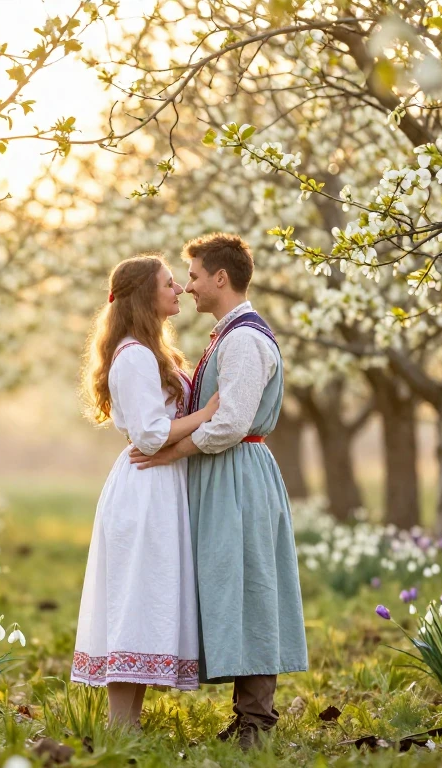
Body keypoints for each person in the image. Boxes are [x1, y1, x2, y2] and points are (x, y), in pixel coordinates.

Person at [131, 233, 308, 750]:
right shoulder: (226, 337)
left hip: (238, 473)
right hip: (222, 473)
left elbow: (231, 421)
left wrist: (172, 452)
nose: (187, 288)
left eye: (193, 276)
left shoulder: (245, 340)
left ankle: (257, 720)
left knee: (250, 581)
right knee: (229, 582)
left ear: (220, 278)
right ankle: (246, 714)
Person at [70, 253, 219, 728]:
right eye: (169, 284)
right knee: (135, 596)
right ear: (143, 295)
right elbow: (151, 435)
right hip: (145, 485)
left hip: (161, 484)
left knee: (147, 592)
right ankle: (119, 724)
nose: (179, 291)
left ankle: (128, 724)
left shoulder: (152, 352)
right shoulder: (133, 356)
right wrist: (209, 412)